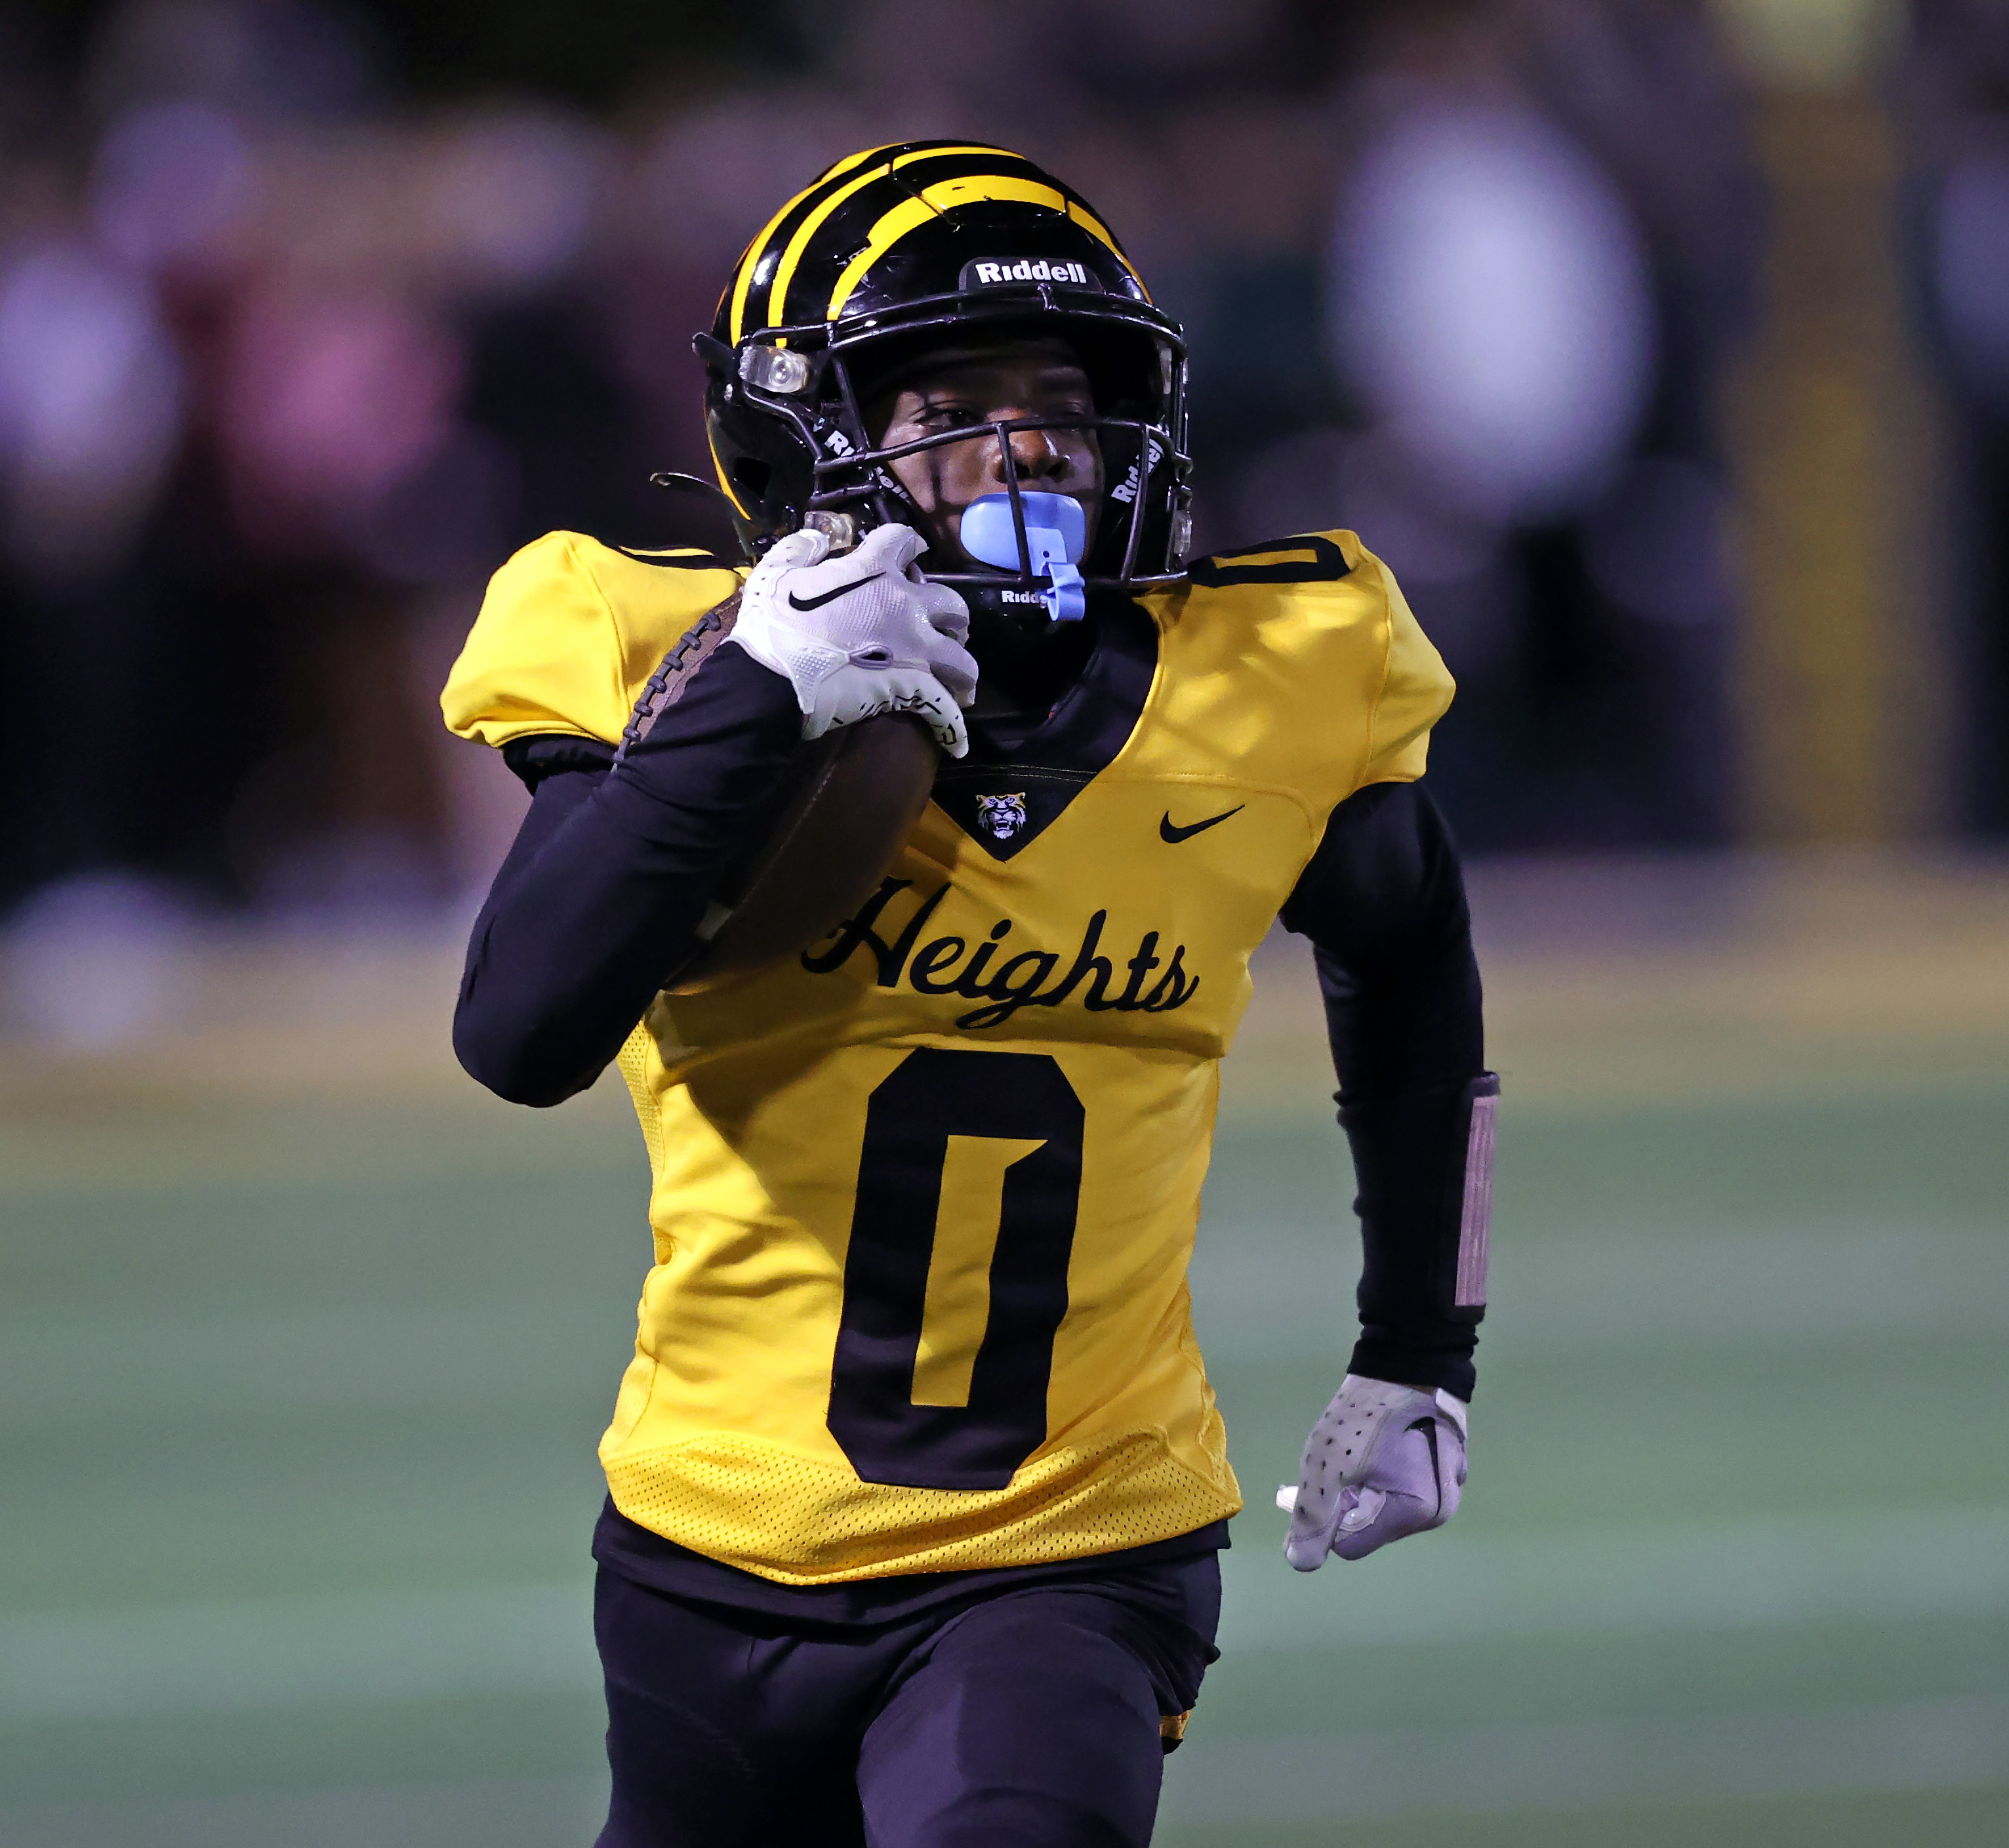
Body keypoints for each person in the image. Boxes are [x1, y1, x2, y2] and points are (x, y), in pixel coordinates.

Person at [441, 142, 1493, 1848]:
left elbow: (1410, 961)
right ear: (802, 435)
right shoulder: (659, 649)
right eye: (952, 403)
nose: (1025, 451)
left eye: (1058, 400)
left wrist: (1418, 1346)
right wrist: (744, 704)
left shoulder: (1278, 677)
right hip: (713, 1541)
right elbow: (520, 1028)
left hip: (1069, 1540)